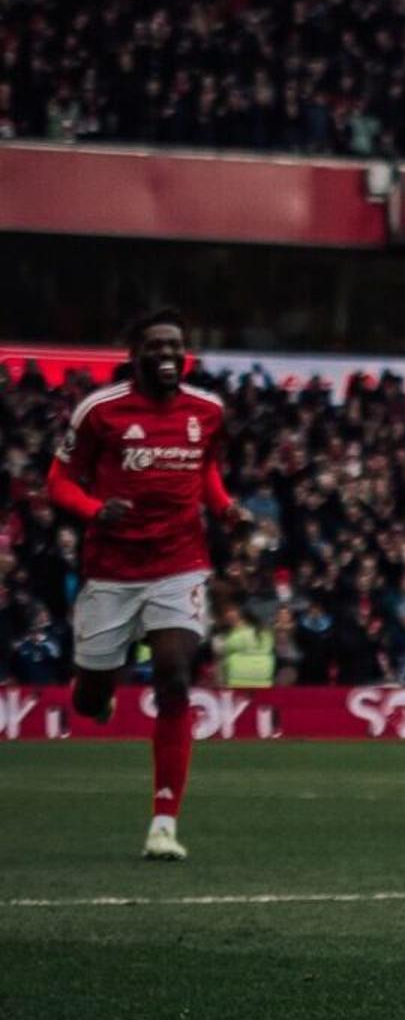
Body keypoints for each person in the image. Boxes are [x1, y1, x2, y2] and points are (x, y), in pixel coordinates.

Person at [49, 308, 239, 861]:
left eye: (175, 346)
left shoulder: (207, 410)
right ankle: (100, 689)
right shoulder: (100, 412)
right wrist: (92, 508)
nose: (167, 356)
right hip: (111, 570)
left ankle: (163, 822)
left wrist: (225, 510)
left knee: (175, 675)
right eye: (155, 347)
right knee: (88, 701)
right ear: (134, 355)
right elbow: (57, 481)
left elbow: (205, 470)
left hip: (180, 562)